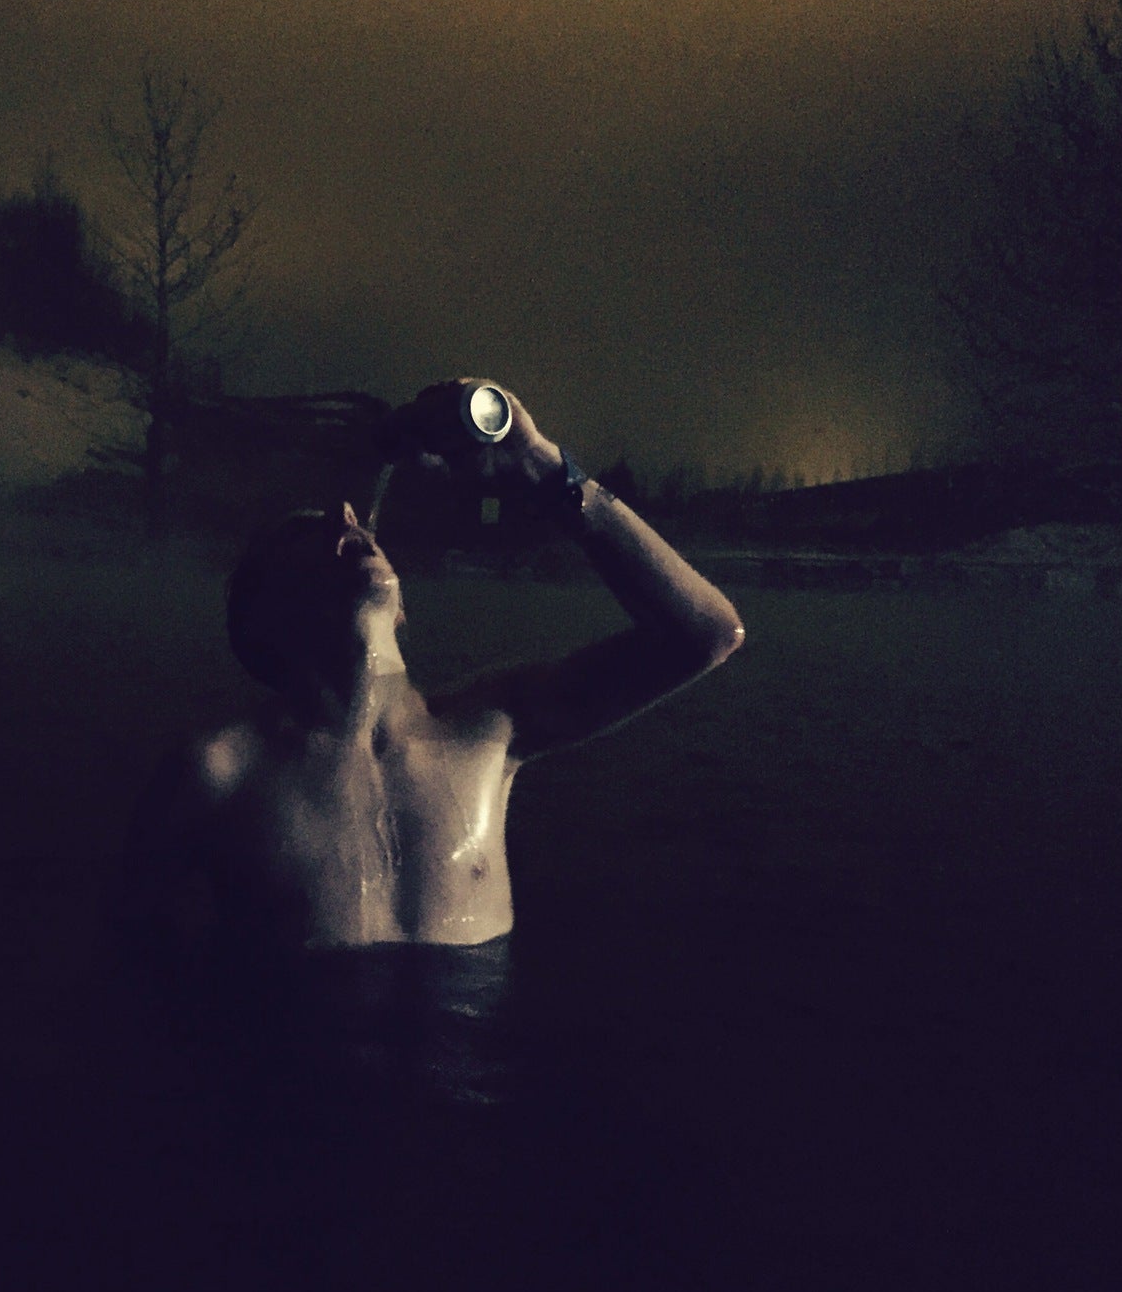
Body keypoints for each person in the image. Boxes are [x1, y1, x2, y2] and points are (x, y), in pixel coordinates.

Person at [118, 380, 745, 965]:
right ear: (267, 612)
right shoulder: (219, 773)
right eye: (304, 534)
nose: (346, 520)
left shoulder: (490, 729)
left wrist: (543, 468)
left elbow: (706, 636)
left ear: (401, 609)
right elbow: (126, 961)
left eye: (355, 524)